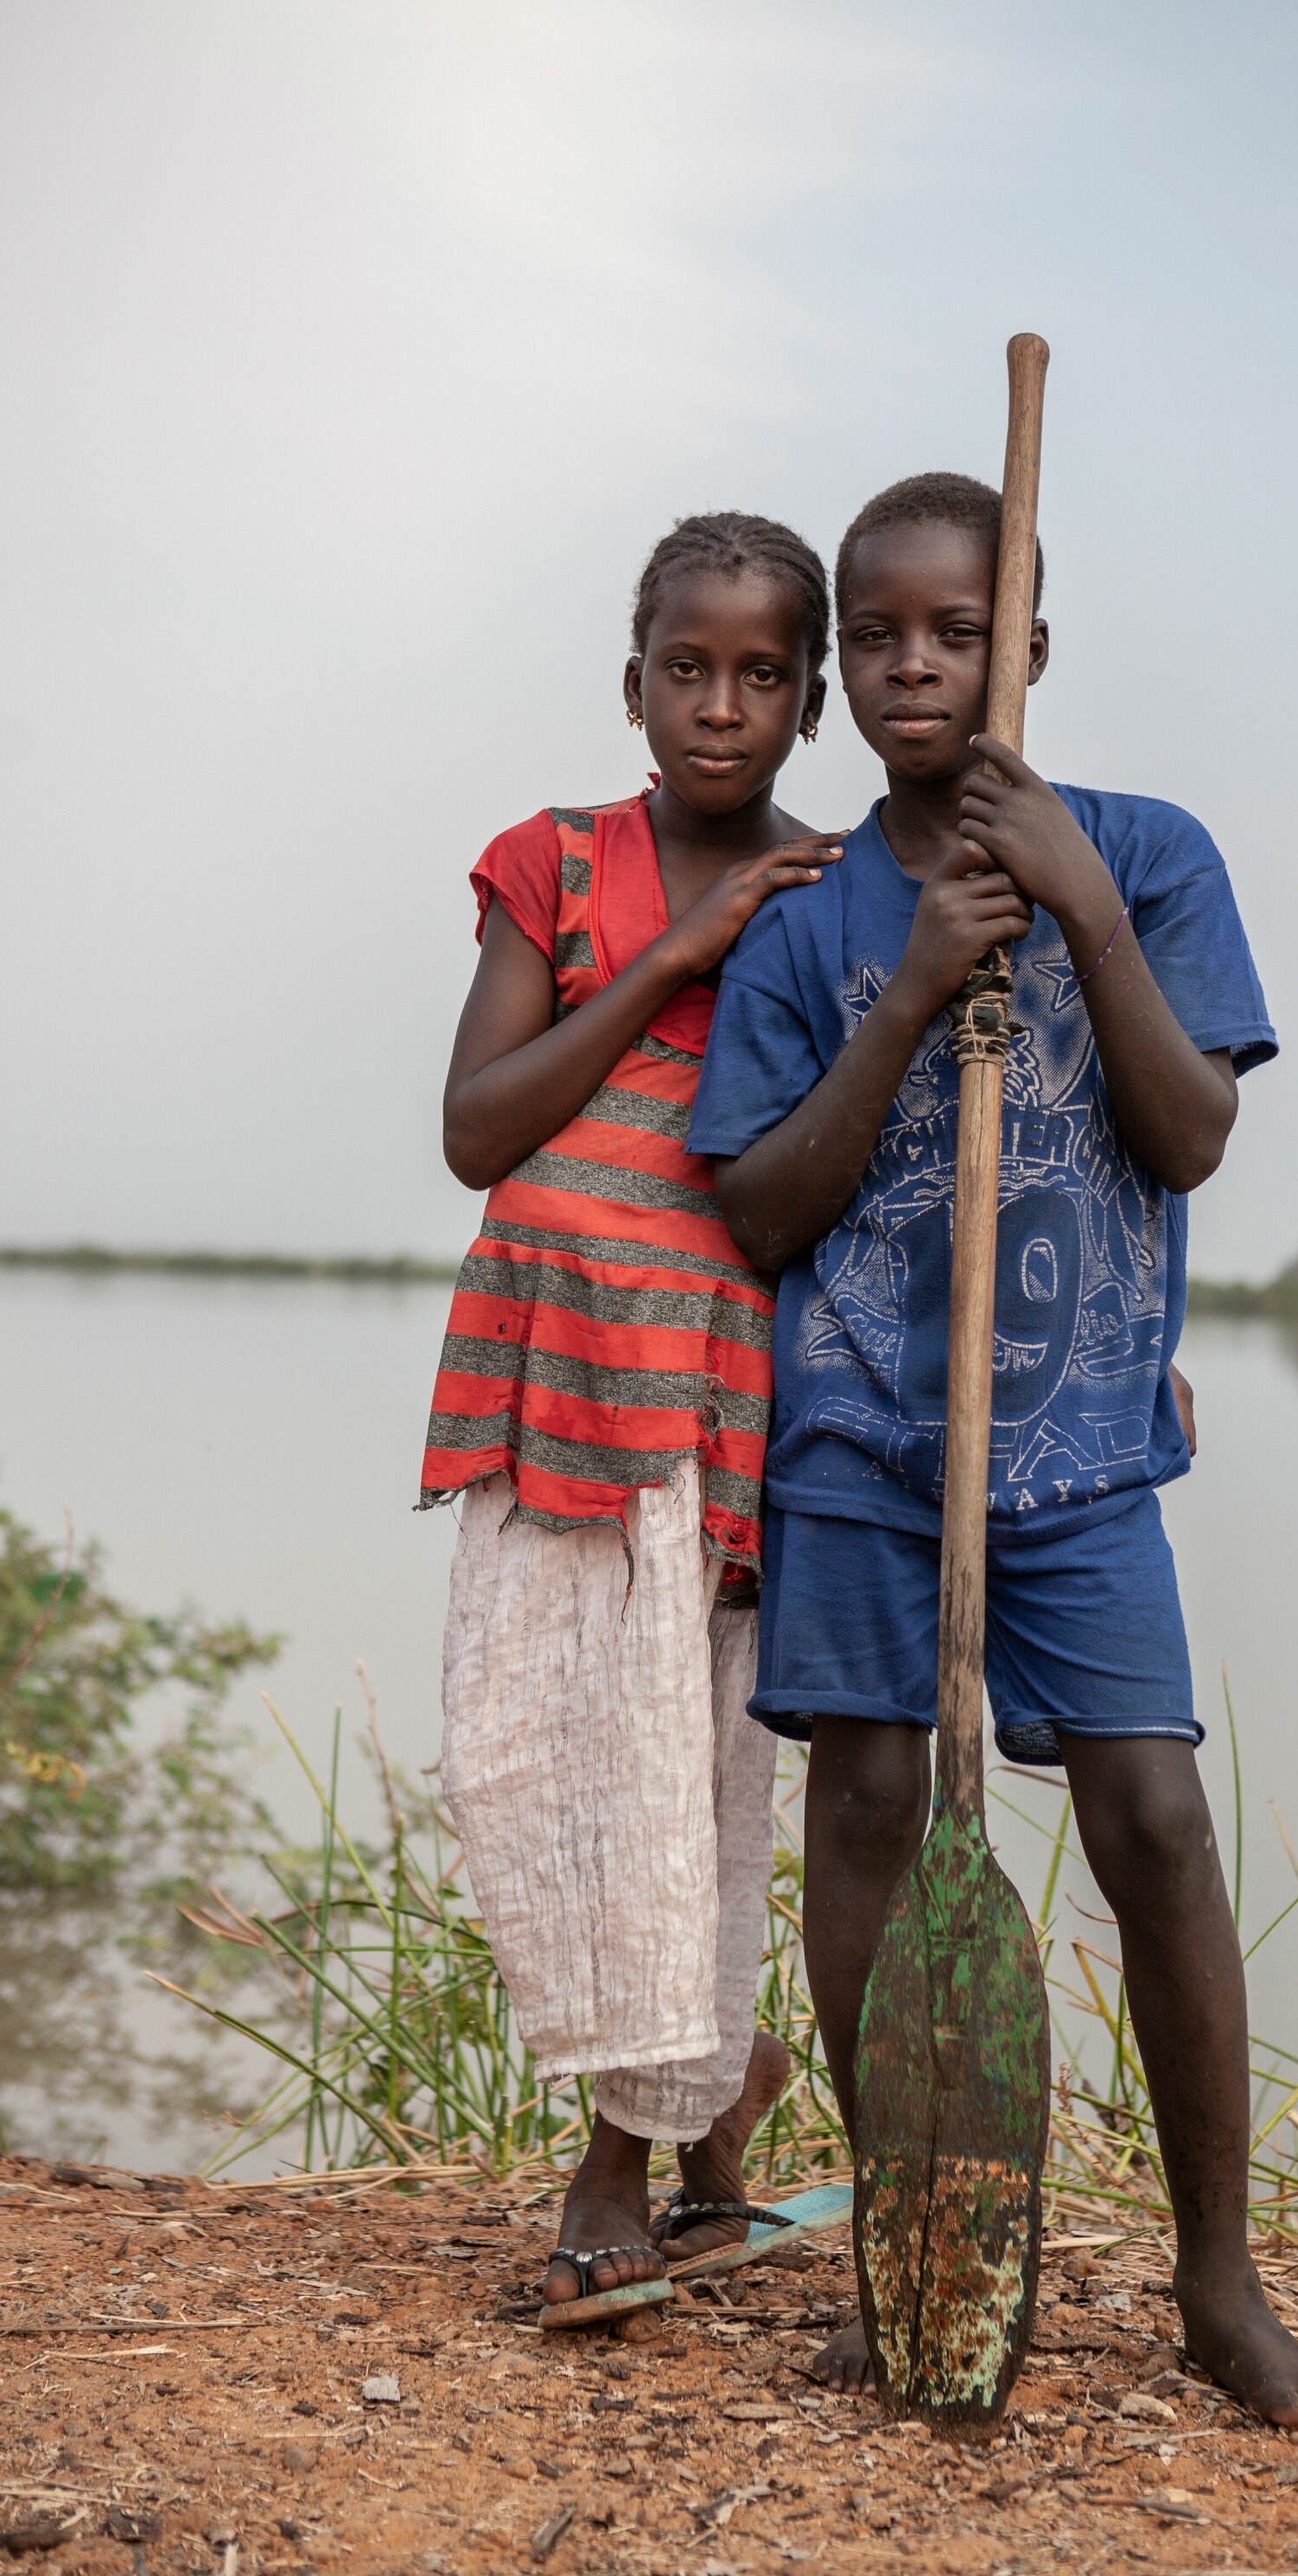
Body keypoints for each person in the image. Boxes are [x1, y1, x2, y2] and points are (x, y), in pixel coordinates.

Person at [688, 473, 1298, 2435]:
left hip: (1077, 1463)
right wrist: (908, 996)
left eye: (958, 632)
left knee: (1151, 1818)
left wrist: (1070, 901)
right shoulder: (815, 916)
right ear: (847, 669)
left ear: (1028, 654)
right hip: (860, 1452)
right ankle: (913, 2241)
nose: (916, 663)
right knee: (874, 1817)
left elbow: (1187, 1136)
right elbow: (758, 1211)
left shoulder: (1146, 855)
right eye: (880, 633)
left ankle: (1217, 2286)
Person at [421, 512, 846, 2305]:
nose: (720, 707)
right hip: (551, 1375)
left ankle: (629, 2158)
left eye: (762, 675)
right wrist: (677, 954)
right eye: (688, 667)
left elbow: (871, 1151)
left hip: (719, 1395)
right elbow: (478, 1129)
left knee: (693, 1773)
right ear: (632, 681)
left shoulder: (844, 890)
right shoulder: (562, 865)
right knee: (517, 1755)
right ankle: (718, 2092)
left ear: (812, 699)